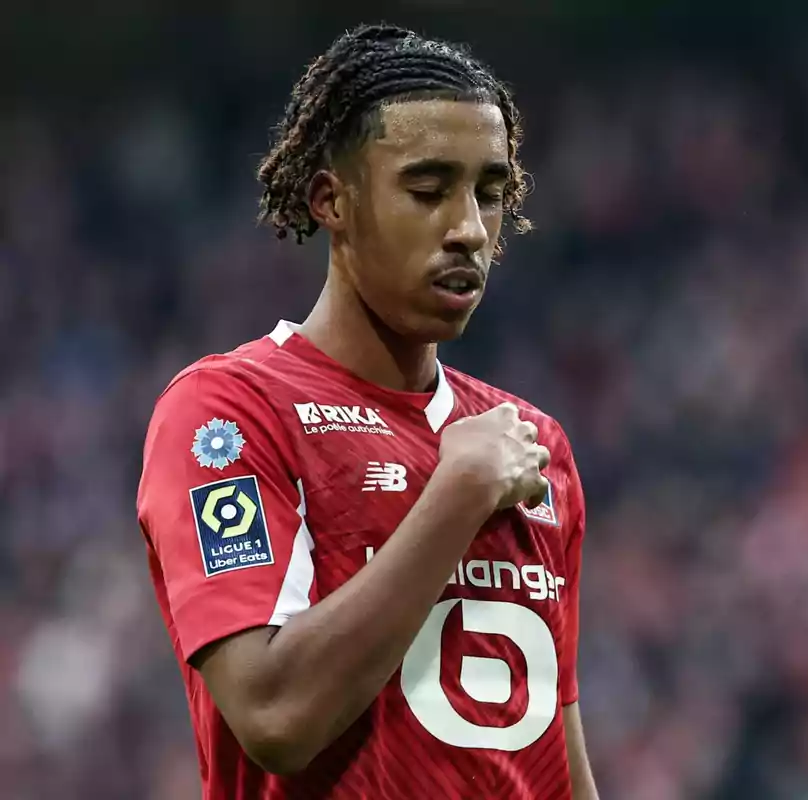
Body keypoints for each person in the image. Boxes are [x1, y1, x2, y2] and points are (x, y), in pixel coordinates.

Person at [136, 23, 598, 800]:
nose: (467, 231)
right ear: (332, 201)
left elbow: (553, 753)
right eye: (427, 190)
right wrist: (457, 492)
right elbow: (275, 713)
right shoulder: (230, 412)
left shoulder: (531, 444)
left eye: (490, 194)